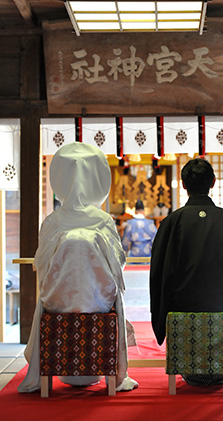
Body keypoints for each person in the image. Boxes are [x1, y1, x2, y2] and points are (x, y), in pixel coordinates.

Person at [18, 142, 138, 393]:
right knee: (112, 294)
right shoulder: (103, 221)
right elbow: (119, 264)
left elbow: (41, 264)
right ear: (98, 180)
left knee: (48, 294)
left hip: (57, 306)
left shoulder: (53, 221)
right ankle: (111, 373)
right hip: (99, 307)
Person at [150, 158, 223, 385]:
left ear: (183, 185)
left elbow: (158, 272)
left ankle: (188, 366)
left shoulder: (171, 222)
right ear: (213, 182)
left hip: (183, 308)